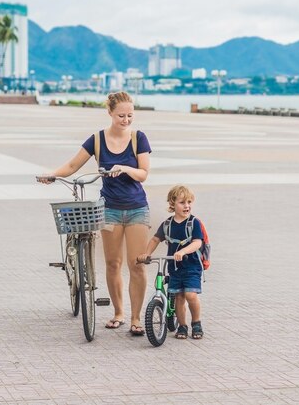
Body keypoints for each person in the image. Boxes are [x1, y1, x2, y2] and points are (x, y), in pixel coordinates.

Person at [38, 91, 151, 336]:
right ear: (110, 113)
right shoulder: (97, 140)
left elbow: (143, 173)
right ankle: (119, 313)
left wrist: (124, 168)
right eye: (121, 115)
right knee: (113, 263)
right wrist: (52, 175)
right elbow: (72, 165)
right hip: (109, 209)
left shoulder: (138, 138)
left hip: (136, 209)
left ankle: (136, 318)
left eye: (130, 115)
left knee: (137, 265)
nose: (126, 120)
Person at [138, 185, 205, 340]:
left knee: (190, 295)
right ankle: (182, 325)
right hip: (174, 268)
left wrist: (182, 251)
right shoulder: (167, 225)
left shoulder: (193, 223)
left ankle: (196, 322)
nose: (187, 206)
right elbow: (155, 239)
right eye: (182, 202)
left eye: (189, 202)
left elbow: (197, 243)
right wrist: (147, 254)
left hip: (192, 267)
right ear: (172, 203)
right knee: (179, 297)